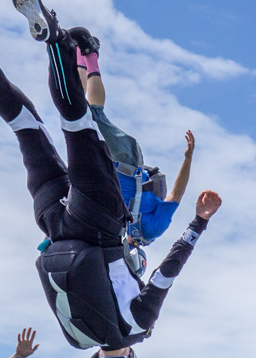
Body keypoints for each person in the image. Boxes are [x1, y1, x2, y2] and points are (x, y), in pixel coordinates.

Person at [0, 0, 221, 358]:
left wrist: (199, 223)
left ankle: (55, 38)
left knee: (78, 125)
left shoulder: (137, 328)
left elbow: (168, 272)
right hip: (54, 224)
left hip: (99, 223)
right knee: (25, 127)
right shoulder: (77, 338)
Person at [73, 28, 196, 247]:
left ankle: (79, 55)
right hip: (127, 161)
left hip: (107, 165)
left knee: (84, 118)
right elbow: (177, 193)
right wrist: (188, 158)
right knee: (94, 114)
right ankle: (90, 55)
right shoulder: (153, 229)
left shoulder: (115, 230)